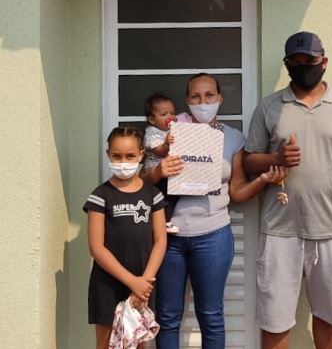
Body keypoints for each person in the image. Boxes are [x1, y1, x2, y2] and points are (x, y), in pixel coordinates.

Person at [243, 32, 332, 349]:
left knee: (329, 318)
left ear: (325, 62)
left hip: (329, 228)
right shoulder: (269, 108)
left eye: (310, 61)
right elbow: (249, 162)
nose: (303, 67)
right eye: (296, 61)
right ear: (287, 64)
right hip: (279, 229)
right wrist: (275, 159)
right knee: (275, 321)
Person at [140, 73, 285, 349]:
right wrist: (159, 170)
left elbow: (238, 192)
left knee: (212, 317)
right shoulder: (173, 133)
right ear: (187, 100)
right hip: (168, 237)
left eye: (209, 96)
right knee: (167, 317)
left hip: (213, 236)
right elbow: (141, 183)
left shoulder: (233, 138)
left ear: (220, 99)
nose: (202, 102)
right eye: (195, 96)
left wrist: (263, 181)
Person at [84, 126, 168, 349]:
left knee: (138, 345)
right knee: (105, 345)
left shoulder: (153, 194)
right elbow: (96, 247)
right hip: (107, 285)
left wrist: (143, 283)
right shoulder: (100, 196)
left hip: (144, 284)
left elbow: (160, 240)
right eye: (117, 156)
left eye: (130, 156)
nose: (123, 161)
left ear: (141, 155)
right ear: (108, 154)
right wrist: (132, 282)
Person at [142, 93, 180, 234]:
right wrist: (167, 144)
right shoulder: (152, 133)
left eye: (172, 113)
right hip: (157, 172)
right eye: (164, 114)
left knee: (171, 197)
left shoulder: (170, 130)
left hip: (168, 171)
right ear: (152, 120)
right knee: (165, 198)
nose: (170, 116)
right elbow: (159, 151)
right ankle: (163, 222)